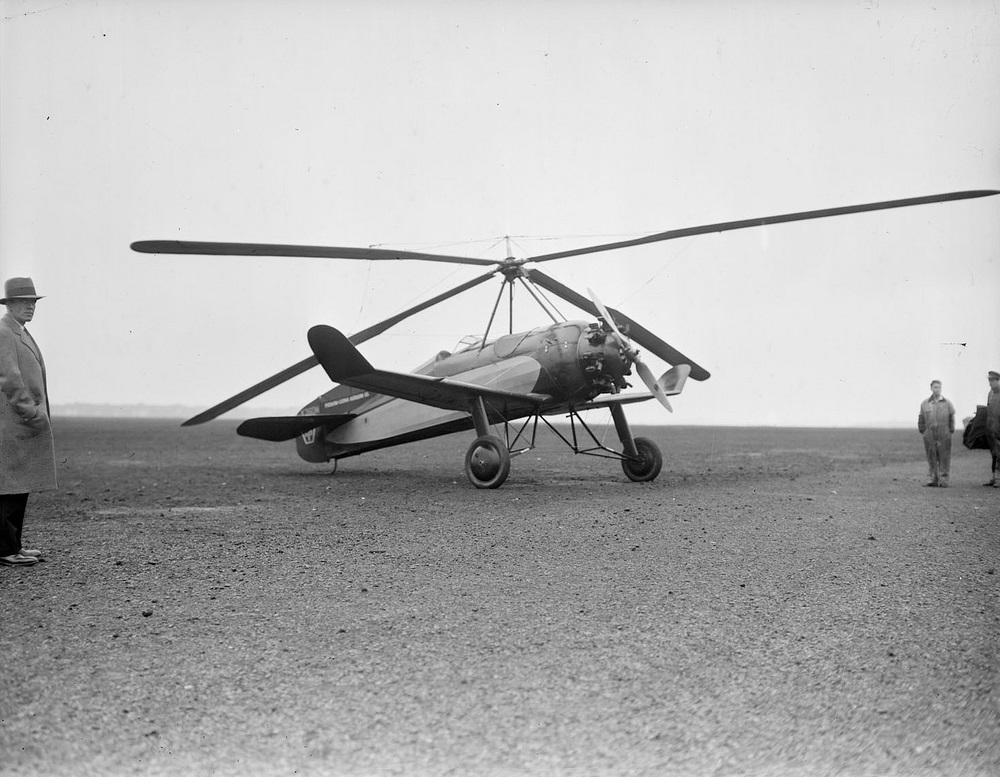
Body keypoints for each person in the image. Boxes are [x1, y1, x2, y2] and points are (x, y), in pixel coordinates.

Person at [0, 277, 57, 566]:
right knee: (8, 490)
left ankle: (15, 545)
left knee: (18, 488)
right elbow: (9, 380)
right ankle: (5, 550)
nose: (30, 307)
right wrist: (30, 412)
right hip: (14, 425)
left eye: (33, 302)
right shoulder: (4, 332)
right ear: (9, 304)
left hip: (20, 426)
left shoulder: (19, 330)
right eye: (24, 302)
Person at [918, 379, 955, 487]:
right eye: (935, 387)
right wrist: (923, 431)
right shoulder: (925, 403)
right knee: (932, 456)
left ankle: (944, 480)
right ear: (931, 388)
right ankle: (933, 479)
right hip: (929, 433)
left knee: (944, 456)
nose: (937, 389)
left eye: (939, 387)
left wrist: (950, 430)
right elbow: (921, 418)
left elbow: (951, 417)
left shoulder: (947, 403)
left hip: (944, 433)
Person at [985, 371, 1000, 487]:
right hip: (990, 429)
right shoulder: (990, 394)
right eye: (989, 380)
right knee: (994, 453)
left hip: (999, 428)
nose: (990, 383)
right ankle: (994, 477)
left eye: (992, 380)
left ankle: (999, 479)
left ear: (998, 380)